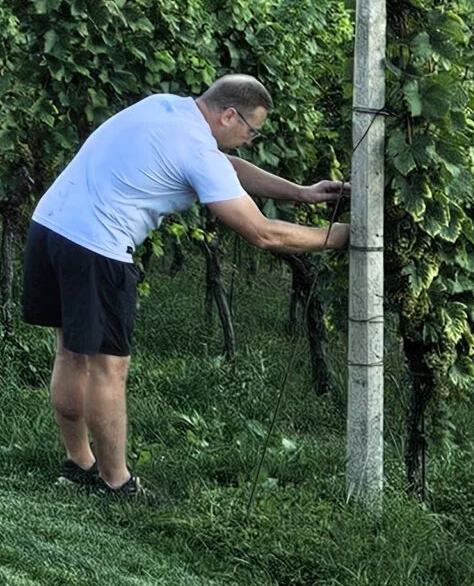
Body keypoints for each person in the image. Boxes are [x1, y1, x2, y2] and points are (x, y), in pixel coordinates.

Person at [23, 75, 350, 499]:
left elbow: (224, 167)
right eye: (251, 130)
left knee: (70, 352)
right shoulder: (197, 150)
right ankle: (116, 481)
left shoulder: (166, 107)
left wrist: (300, 194)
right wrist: (340, 237)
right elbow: (263, 234)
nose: (251, 140)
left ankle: (78, 463)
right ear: (229, 115)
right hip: (97, 248)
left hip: (50, 227)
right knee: (109, 367)